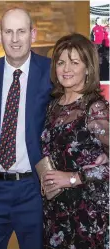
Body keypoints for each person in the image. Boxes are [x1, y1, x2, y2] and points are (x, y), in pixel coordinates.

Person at [0, 8, 52, 249]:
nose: (15, 39)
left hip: (34, 191)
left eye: (21, 31)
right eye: (9, 32)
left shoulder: (52, 72)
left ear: (33, 34)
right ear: (0, 35)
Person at [41, 33, 109, 249]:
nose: (66, 68)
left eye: (74, 62)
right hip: (55, 210)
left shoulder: (95, 108)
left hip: (88, 212)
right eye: (61, 62)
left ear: (87, 68)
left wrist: (72, 178)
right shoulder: (53, 106)